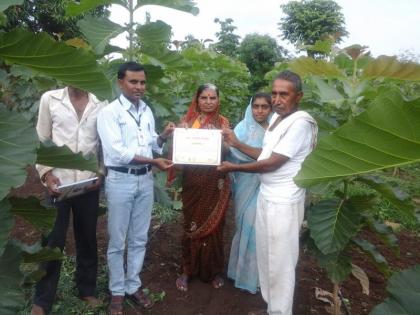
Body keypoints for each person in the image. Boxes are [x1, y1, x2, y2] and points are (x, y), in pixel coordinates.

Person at [218, 71, 318, 315]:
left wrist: (234, 166)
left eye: (284, 94)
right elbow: (263, 154)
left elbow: (271, 163)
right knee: (267, 257)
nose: (277, 99)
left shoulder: (301, 124)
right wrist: (237, 144)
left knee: (281, 263)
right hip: (267, 195)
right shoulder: (277, 121)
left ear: (298, 96)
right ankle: (272, 307)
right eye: (274, 93)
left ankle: (280, 311)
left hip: (283, 201)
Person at [97, 61, 175, 315]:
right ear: (121, 82)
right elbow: (117, 153)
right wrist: (154, 161)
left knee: (140, 237)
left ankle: (133, 285)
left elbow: (151, 142)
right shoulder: (110, 113)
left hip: (145, 180)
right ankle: (117, 291)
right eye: (133, 82)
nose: (139, 87)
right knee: (118, 240)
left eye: (142, 82)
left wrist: (162, 137)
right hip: (121, 180)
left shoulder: (147, 111)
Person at [32, 86, 107, 315]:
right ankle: (42, 300)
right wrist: (46, 173)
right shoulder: (50, 99)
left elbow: (102, 145)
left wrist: (100, 172)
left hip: (87, 183)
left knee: (87, 237)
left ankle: (86, 289)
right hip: (58, 184)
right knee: (53, 240)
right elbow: (41, 139)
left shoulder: (99, 103)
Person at [174, 83, 231, 292]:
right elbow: (178, 153)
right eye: (204, 98)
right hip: (193, 182)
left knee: (214, 227)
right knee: (191, 223)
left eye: (212, 98)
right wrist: (181, 136)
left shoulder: (223, 123)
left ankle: (213, 271)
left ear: (218, 100)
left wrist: (221, 139)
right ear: (197, 100)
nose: (208, 102)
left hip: (214, 182)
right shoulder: (188, 122)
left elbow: (227, 152)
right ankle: (188, 269)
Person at [227, 92, 272, 294]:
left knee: (259, 228)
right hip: (244, 183)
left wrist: (238, 144)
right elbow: (231, 152)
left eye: (264, 106)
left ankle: (257, 277)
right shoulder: (241, 128)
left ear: (270, 109)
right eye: (256, 106)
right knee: (245, 225)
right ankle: (240, 273)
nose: (260, 111)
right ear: (250, 107)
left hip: (267, 184)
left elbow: (272, 158)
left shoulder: (275, 131)